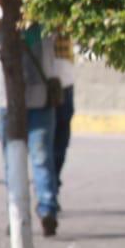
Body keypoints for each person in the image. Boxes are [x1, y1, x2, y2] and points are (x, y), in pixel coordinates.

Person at [0, 0, 61, 237]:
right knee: (37, 159)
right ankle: (35, 210)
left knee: (26, 160)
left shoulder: (37, 25)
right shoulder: (10, 27)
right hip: (18, 103)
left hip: (23, 103)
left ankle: (36, 210)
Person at [51, 31, 77, 201]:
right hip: (45, 83)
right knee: (45, 145)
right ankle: (49, 189)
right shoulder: (32, 22)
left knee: (61, 142)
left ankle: (52, 185)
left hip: (65, 82)